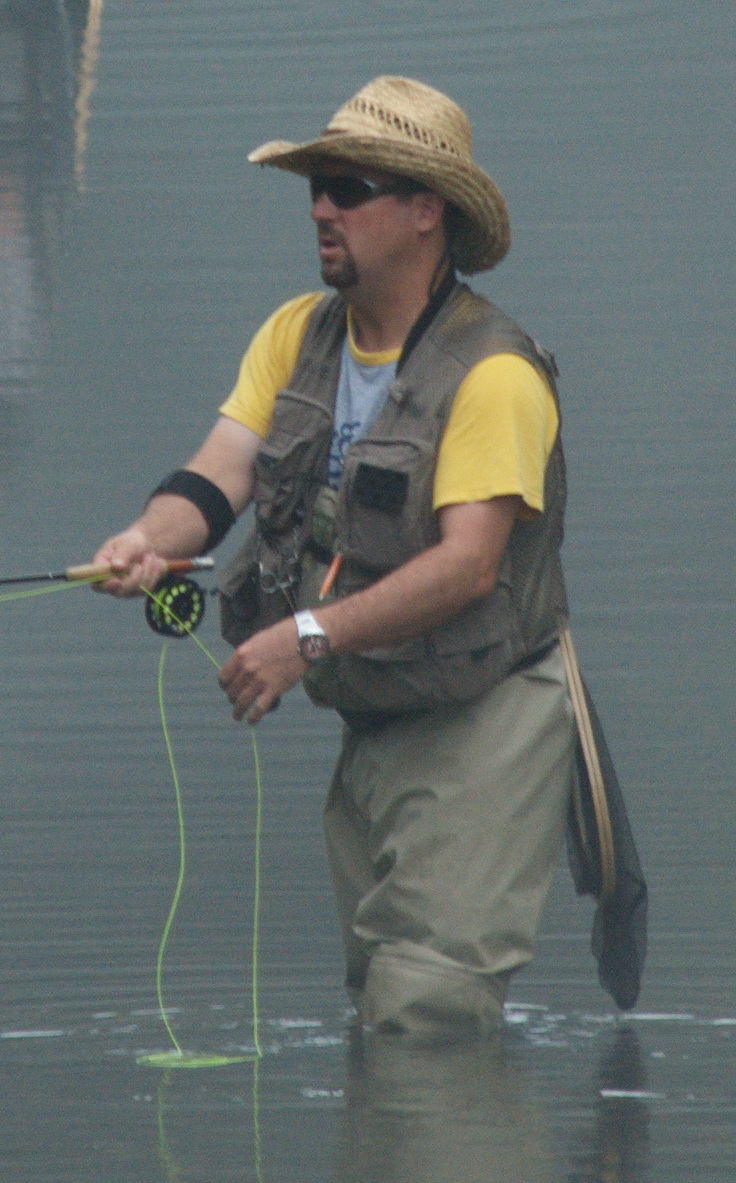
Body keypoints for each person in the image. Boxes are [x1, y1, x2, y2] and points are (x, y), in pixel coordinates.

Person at [93, 77, 576, 1034]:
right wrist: (146, 541)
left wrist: (301, 638)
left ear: (426, 211)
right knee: (379, 1012)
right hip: (376, 720)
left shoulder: (497, 375)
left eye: (348, 187)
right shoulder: (295, 336)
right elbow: (216, 478)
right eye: (316, 186)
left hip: (490, 722)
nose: (321, 207)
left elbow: (468, 566)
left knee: (422, 1010)